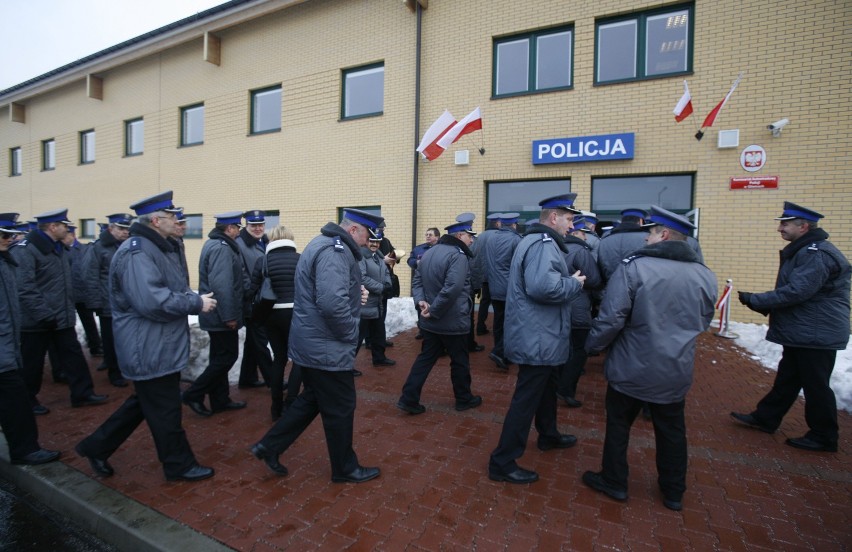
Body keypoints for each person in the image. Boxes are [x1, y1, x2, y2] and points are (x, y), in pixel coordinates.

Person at [75, 191, 217, 482]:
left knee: (145, 403)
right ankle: (179, 465)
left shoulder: (157, 247)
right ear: (155, 220)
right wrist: (195, 303)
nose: (179, 221)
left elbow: (168, 288)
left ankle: (96, 446)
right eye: (173, 217)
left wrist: (190, 297)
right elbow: (153, 301)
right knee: (165, 410)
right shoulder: (137, 252)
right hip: (148, 345)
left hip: (156, 343)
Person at [582, 206, 717, 511]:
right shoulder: (704, 274)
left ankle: (614, 481)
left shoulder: (635, 269)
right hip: (675, 369)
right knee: (671, 430)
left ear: (665, 235)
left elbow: (611, 318)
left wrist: (591, 346)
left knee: (618, 425)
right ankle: (673, 491)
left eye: (651, 233)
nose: (646, 239)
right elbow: (704, 320)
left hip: (631, 367)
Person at [250, 208, 384, 483]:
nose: (368, 242)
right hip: (326, 345)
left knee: (312, 399)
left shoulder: (328, 245)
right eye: (367, 235)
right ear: (353, 230)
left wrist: (351, 292)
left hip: (316, 342)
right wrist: (350, 334)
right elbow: (331, 304)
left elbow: (327, 292)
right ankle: (345, 468)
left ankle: (269, 446)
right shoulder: (334, 250)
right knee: (341, 406)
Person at [732, 202, 850, 453]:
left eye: (785, 224)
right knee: (788, 379)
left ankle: (824, 436)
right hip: (806, 331)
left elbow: (798, 291)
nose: (780, 228)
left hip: (816, 334)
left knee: (816, 386)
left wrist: (757, 300)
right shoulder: (806, 249)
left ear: (803, 226)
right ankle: (766, 418)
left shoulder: (815, 253)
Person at [489, 194, 585, 484]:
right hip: (538, 336)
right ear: (554, 218)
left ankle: (549, 435)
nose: (571, 225)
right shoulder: (543, 245)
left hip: (540, 335)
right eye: (569, 219)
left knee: (546, 389)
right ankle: (502, 461)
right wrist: (574, 283)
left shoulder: (535, 241)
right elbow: (543, 287)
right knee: (526, 398)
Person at [12, 208, 108, 415]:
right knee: (32, 363)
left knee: (73, 356)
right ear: (53, 227)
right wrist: (44, 314)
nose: (68, 229)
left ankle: (82, 393)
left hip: (60, 317)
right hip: (36, 321)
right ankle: (27, 400)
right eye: (65, 225)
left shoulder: (58, 247)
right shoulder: (26, 250)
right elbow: (24, 287)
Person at [397, 216, 482, 415]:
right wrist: (432, 309)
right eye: (470, 236)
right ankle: (463, 398)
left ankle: (408, 397)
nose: (472, 240)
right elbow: (452, 289)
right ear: (460, 236)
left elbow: (417, 282)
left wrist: (422, 303)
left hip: (430, 321)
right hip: (452, 321)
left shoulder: (429, 252)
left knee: (425, 359)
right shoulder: (457, 256)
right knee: (459, 361)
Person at [0, 213, 61, 466]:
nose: (11, 239)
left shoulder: (5, 260)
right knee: (16, 401)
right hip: (2, 352)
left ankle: (25, 447)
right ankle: (25, 450)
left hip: (7, 344)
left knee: (14, 399)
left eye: (12, 234)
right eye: (5, 235)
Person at [183, 212, 249, 417]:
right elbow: (222, 286)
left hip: (215, 313)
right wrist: (229, 316)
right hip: (220, 315)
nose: (239, 231)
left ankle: (220, 400)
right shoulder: (221, 249)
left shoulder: (218, 245)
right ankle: (194, 394)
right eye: (237, 227)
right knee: (227, 357)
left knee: (219, 358)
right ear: (229, 229)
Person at [250, 225, 300, 420]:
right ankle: (291, 403)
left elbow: (253, 290)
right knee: (298, 359)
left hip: (271, 314)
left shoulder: (263, 261)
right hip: (295, 314)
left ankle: (275, 407)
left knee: (279, 358)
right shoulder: (300, 259)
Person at [85, 213, 134, 388]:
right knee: (111, 340)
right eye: (121, 229)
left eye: (127, 229)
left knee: (127, 339)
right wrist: (95, 303)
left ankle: (126, 368)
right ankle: (114, 372)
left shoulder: (129, 245)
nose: (125, 232)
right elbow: (91, 276)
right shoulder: (99, 248)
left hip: (128, 301)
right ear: (110, 228)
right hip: (108, 302)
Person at [557, 217, 602, 407]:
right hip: (578, 309)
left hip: (558, 308)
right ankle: (566, 389)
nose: (586, 237)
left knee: (562, 348)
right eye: (584, 234)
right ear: (577, 234)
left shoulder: (555, 248)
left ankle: (557, 384)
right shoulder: (580, 251)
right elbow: (594, 279)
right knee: (579, 349)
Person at [236, 209, 273, 389]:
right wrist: (251, 294)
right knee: (260, 343)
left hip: (261, 300)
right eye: (253, 225)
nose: (258, 228)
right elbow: (241, 275)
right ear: (246, 225)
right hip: (252, 301)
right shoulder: (240, 244)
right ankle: (273, 380)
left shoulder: (263, 242)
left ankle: (247, 378)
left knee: (253, 343)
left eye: (261, 225)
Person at [485, 212, 522, 371]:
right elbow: (519, 265)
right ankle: (499, 351)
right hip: (509, 289)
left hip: (494, 287)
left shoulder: (491, 238)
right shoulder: (516, 239)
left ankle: (502, 352)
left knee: (499, 321)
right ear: (514, 224)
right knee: (511, 323)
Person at [63, 225, 103, 358]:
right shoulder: (61, 250)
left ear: (73, 235)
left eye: (67, 235)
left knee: (88, 322)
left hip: (82, 293)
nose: (64, 238)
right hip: (67, 295)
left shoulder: (83, 249)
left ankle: (95, 346)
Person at [357, 233, 396, 368]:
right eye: (372, 241)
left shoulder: (378, 256)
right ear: (366, 242)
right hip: (365, 303)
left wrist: (388, 284)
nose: (374, 244)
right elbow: (362, 278)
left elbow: (385, 272)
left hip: (378, 303)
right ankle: (346, 366)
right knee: (358, 336)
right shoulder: (361, 256)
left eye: (377, 242)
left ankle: (379, 358)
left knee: (378, 333)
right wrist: (381, 288)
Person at [597, 208, 649, 282]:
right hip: (638, 289)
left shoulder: (605, 240)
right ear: (640, 221)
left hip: (610, 288)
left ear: (622, 221)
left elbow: (600, 269)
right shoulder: (648, 238)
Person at [471, 213, 502, 336]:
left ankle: (480, 326)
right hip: (495, 275)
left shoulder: (479, 237)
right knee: (497, 303)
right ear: (497, 223)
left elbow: (474, 255)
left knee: (484, 301)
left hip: (482, 275)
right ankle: (497, 330)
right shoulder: (498, 236)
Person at [408, 227, 440, 340]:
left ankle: (436, 330)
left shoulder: (441, 249)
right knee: (421, 306)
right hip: (421, 283)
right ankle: (422, 329)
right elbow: (410, 260)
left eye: (430, 235)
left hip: (435, 284)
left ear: (437, 237)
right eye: (426, 234)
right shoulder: (419, 249)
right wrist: (417, 262)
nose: (427, 236)